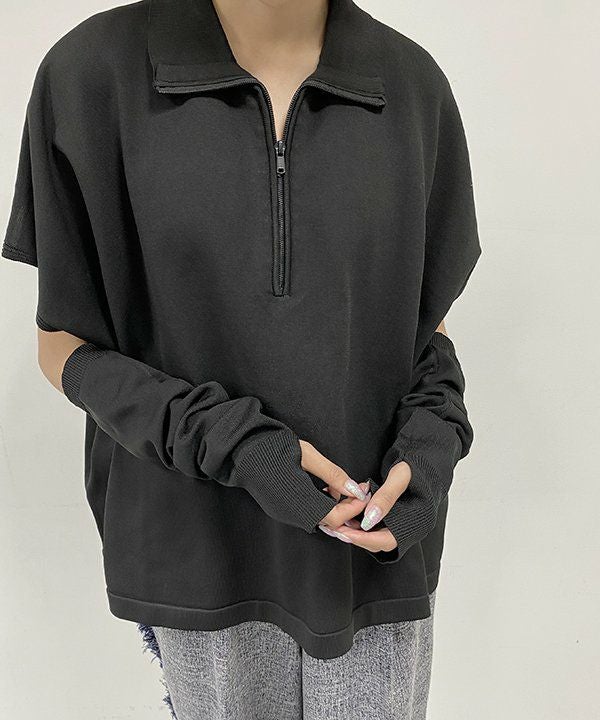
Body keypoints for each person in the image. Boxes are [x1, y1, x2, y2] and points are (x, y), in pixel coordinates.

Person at [1, 0, 481, 718]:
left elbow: (425, 332)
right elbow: (63, 347)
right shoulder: (92, 75)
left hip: (372, 559)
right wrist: (238, 444)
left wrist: (431, 445)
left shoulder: (411, 86)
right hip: (202, 551)